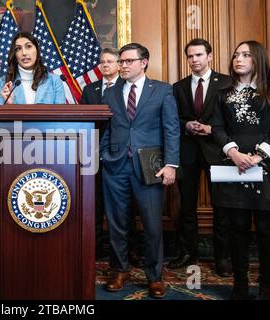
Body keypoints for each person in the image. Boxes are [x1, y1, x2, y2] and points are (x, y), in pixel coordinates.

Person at [101, 43, 180, 298]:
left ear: (143, 62)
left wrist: (171, 164)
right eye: (121, 61)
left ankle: (154, 277)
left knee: (152, 225)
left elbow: (171, 129)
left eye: (128, 61)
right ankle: (120, 270)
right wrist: (104, 156)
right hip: (115, 167)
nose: (122, 65)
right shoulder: (111, 93)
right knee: (117, 223)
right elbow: (105, 129)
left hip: (150, 168)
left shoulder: (162, 90)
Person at [211, 40, 270, 300]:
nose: (239, 59)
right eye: (236, 55)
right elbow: (218, 128)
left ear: (257, 59)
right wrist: (234, 153)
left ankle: (267, 286)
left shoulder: (268, 91)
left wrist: (258, 156)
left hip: (265, 167)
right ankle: (241, 285)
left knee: (267, 230)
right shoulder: (222, 93)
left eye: (245, 55)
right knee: (237, 228)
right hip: (233, 167)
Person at [170, 38, 232, 277]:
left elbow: (230, 119)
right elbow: (174, 118)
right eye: (190, 56)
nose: (194, 60)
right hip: (187, 152)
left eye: (198, 55)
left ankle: (222, 257)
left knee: (222, 207)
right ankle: (188, 253)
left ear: (209, 57)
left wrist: (210, 130)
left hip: (218, 151)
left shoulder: (226, 83)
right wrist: (187, 125)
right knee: (186, 206)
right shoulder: (179, 87)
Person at [81, 48, 143, 267]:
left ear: (119, 64)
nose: (105, 65)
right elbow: (83, 121)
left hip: (124, 154)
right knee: (94, 201)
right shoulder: (90, 89)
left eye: (110, 61)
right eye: (102, 62)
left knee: (128, 206)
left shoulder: (125, 88)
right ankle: (97, 248)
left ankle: (131, 250)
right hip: (93, 152)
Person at [0, 32, 65, 105]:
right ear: (15, 55)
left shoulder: (54, 81)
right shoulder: (3, 82)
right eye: (18, 49)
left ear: (37, 50)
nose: (24, 53)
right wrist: (10, 105)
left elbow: (61, 115)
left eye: (28, 46)